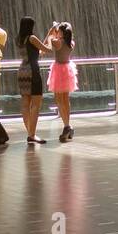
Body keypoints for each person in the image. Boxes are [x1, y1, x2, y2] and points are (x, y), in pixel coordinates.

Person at [16, 16, 51, 144]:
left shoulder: (20, 39)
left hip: (22, 71)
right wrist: (51, 39)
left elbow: (38, 51)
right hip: (33, 72)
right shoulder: (32, 38)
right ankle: (32, 135)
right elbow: (47, 49)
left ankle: (30, 133)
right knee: (36, 103)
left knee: (25, 104)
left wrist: (49, 33)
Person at [48, 22, 78, 142]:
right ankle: (67, 124)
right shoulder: (71, 43)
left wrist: (51, 31)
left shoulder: (57, 42)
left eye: (59, 31)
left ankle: (67, 126)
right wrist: (57, 32)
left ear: (62, 32)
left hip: (58, 70)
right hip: (67, 69)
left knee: (59, 99)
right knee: (65, 99)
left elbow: (47, 43)